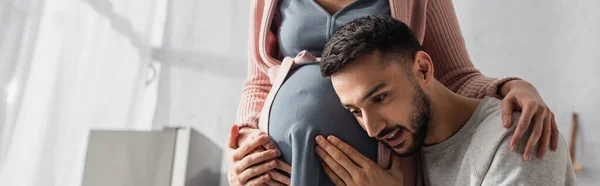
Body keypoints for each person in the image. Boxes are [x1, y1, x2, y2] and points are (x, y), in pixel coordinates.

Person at [228, 0, 559, 185]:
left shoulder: (510, 146)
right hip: (281, 172)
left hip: (384, 173)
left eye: (380, 97)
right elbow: (258, 80)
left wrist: (511, 87)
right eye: (356, 110)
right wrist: (246, 143)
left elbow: (452, 73)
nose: (370, 124)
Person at [315, 15, 576, 186]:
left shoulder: (514, 137)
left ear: (424, 69)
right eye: (355, 111)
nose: (372, 129)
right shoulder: (407, 158)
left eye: (380, 98)